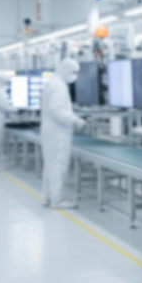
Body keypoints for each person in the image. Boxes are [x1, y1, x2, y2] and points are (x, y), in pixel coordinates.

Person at [41, 58, 86, 209]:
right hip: (57, 131)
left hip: (51, 130)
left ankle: (48, 197)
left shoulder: (53, 82)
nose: (75, 76)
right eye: (74, 72)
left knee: (50, 164)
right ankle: (57, 200)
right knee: (58, 165)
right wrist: (75, 120)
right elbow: (57, 110)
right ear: (66, 70)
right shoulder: (59, 86)